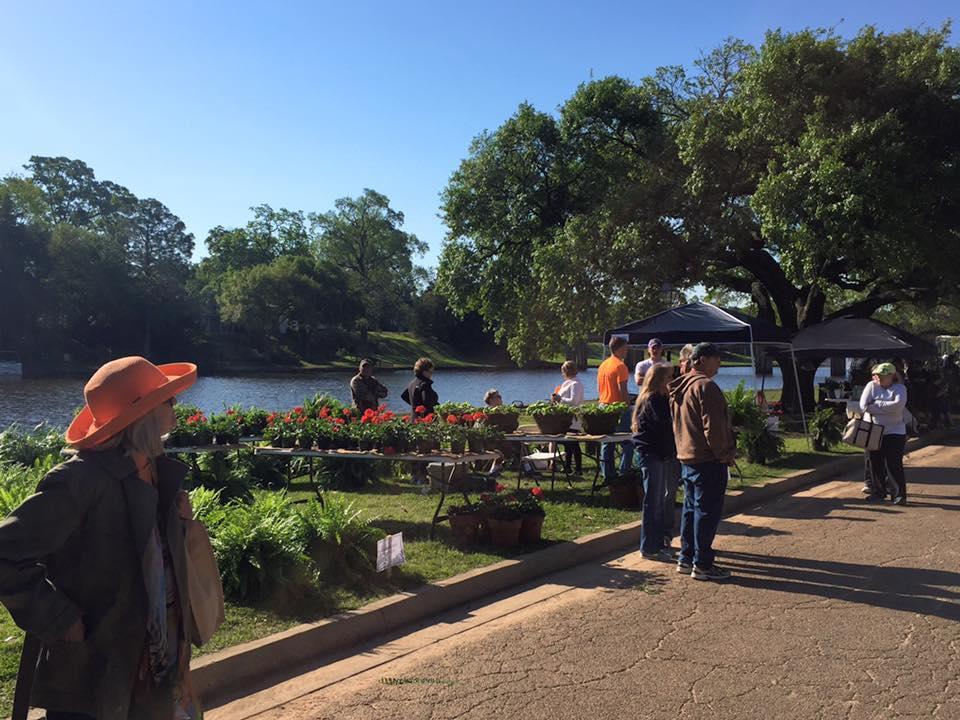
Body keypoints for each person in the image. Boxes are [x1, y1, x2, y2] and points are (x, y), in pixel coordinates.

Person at [0, 356, 203, 719]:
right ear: (143, 414)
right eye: (168, 399)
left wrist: (179, 524)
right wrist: (58, 619)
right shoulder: (80, 481)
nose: (177, 406)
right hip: (97, 676)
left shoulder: (153, 468)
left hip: (158, 668)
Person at [669, 342, 736, 581]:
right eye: (715, 358)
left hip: (687, 456)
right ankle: (703, 564)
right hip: (707, 459)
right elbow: (714, 429)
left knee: (691, 510)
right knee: (706, 512)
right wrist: (724, 454)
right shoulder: (706, 387)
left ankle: (686, 558)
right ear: (701, 360)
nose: (719, 363)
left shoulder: (681, 386)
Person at [632, 364, 676, 562]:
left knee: (658, 500)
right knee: (653, 501)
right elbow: (665, 426)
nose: (672, 380)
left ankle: (657, 543)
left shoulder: (653, 398)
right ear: (660, 379)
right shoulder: (654, 400)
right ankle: (649, 546)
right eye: (669, 377)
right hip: (653, 454)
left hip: (656, 453)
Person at [860, 362, 908, 505]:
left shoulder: (900, 388)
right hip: (874, 431)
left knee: (894, 464)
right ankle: (878, 492)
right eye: (878, 375)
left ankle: (899, 495)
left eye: (884, 375)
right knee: (874, 462)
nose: (880, 378)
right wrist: (886, 406)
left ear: (892, 376)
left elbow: (898, 406)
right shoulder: (871, 386)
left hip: (895, 432)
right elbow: (864, 406)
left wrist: (876, 404)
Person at [598, 336, 633, 479]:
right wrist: (628, 406)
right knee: (628, 440)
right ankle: (624, 472)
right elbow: (622, 389)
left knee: (607, 441)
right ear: (620, 349)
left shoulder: (603, 365)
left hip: (603, 405)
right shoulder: (620, 366)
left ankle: (607, 473)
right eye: (625, 349)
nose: (627, 352)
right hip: (617, 407)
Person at [401, 357, 438, 484]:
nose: (432, 374)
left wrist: (414, 406)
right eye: (430, 371)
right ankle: (423, 475)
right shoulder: (425, 384)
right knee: (426, 449)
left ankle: (415, 475)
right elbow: (426, 400)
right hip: (425, 420)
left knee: (415, 448)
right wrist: (433, 404)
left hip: (413, 418)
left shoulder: (412, 383)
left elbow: (404, 396)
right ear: (425, 371)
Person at [553, 361, 584, 475]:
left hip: (573, 418)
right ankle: (568, 466)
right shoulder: (567, 383)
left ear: (567, 371)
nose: (562, 374)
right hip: (565, 418)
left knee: (573, 443)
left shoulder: (576, 384)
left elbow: (574, 401)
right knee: (567, 443)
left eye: (563, 371)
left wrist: (560, 399)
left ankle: (578, 468)